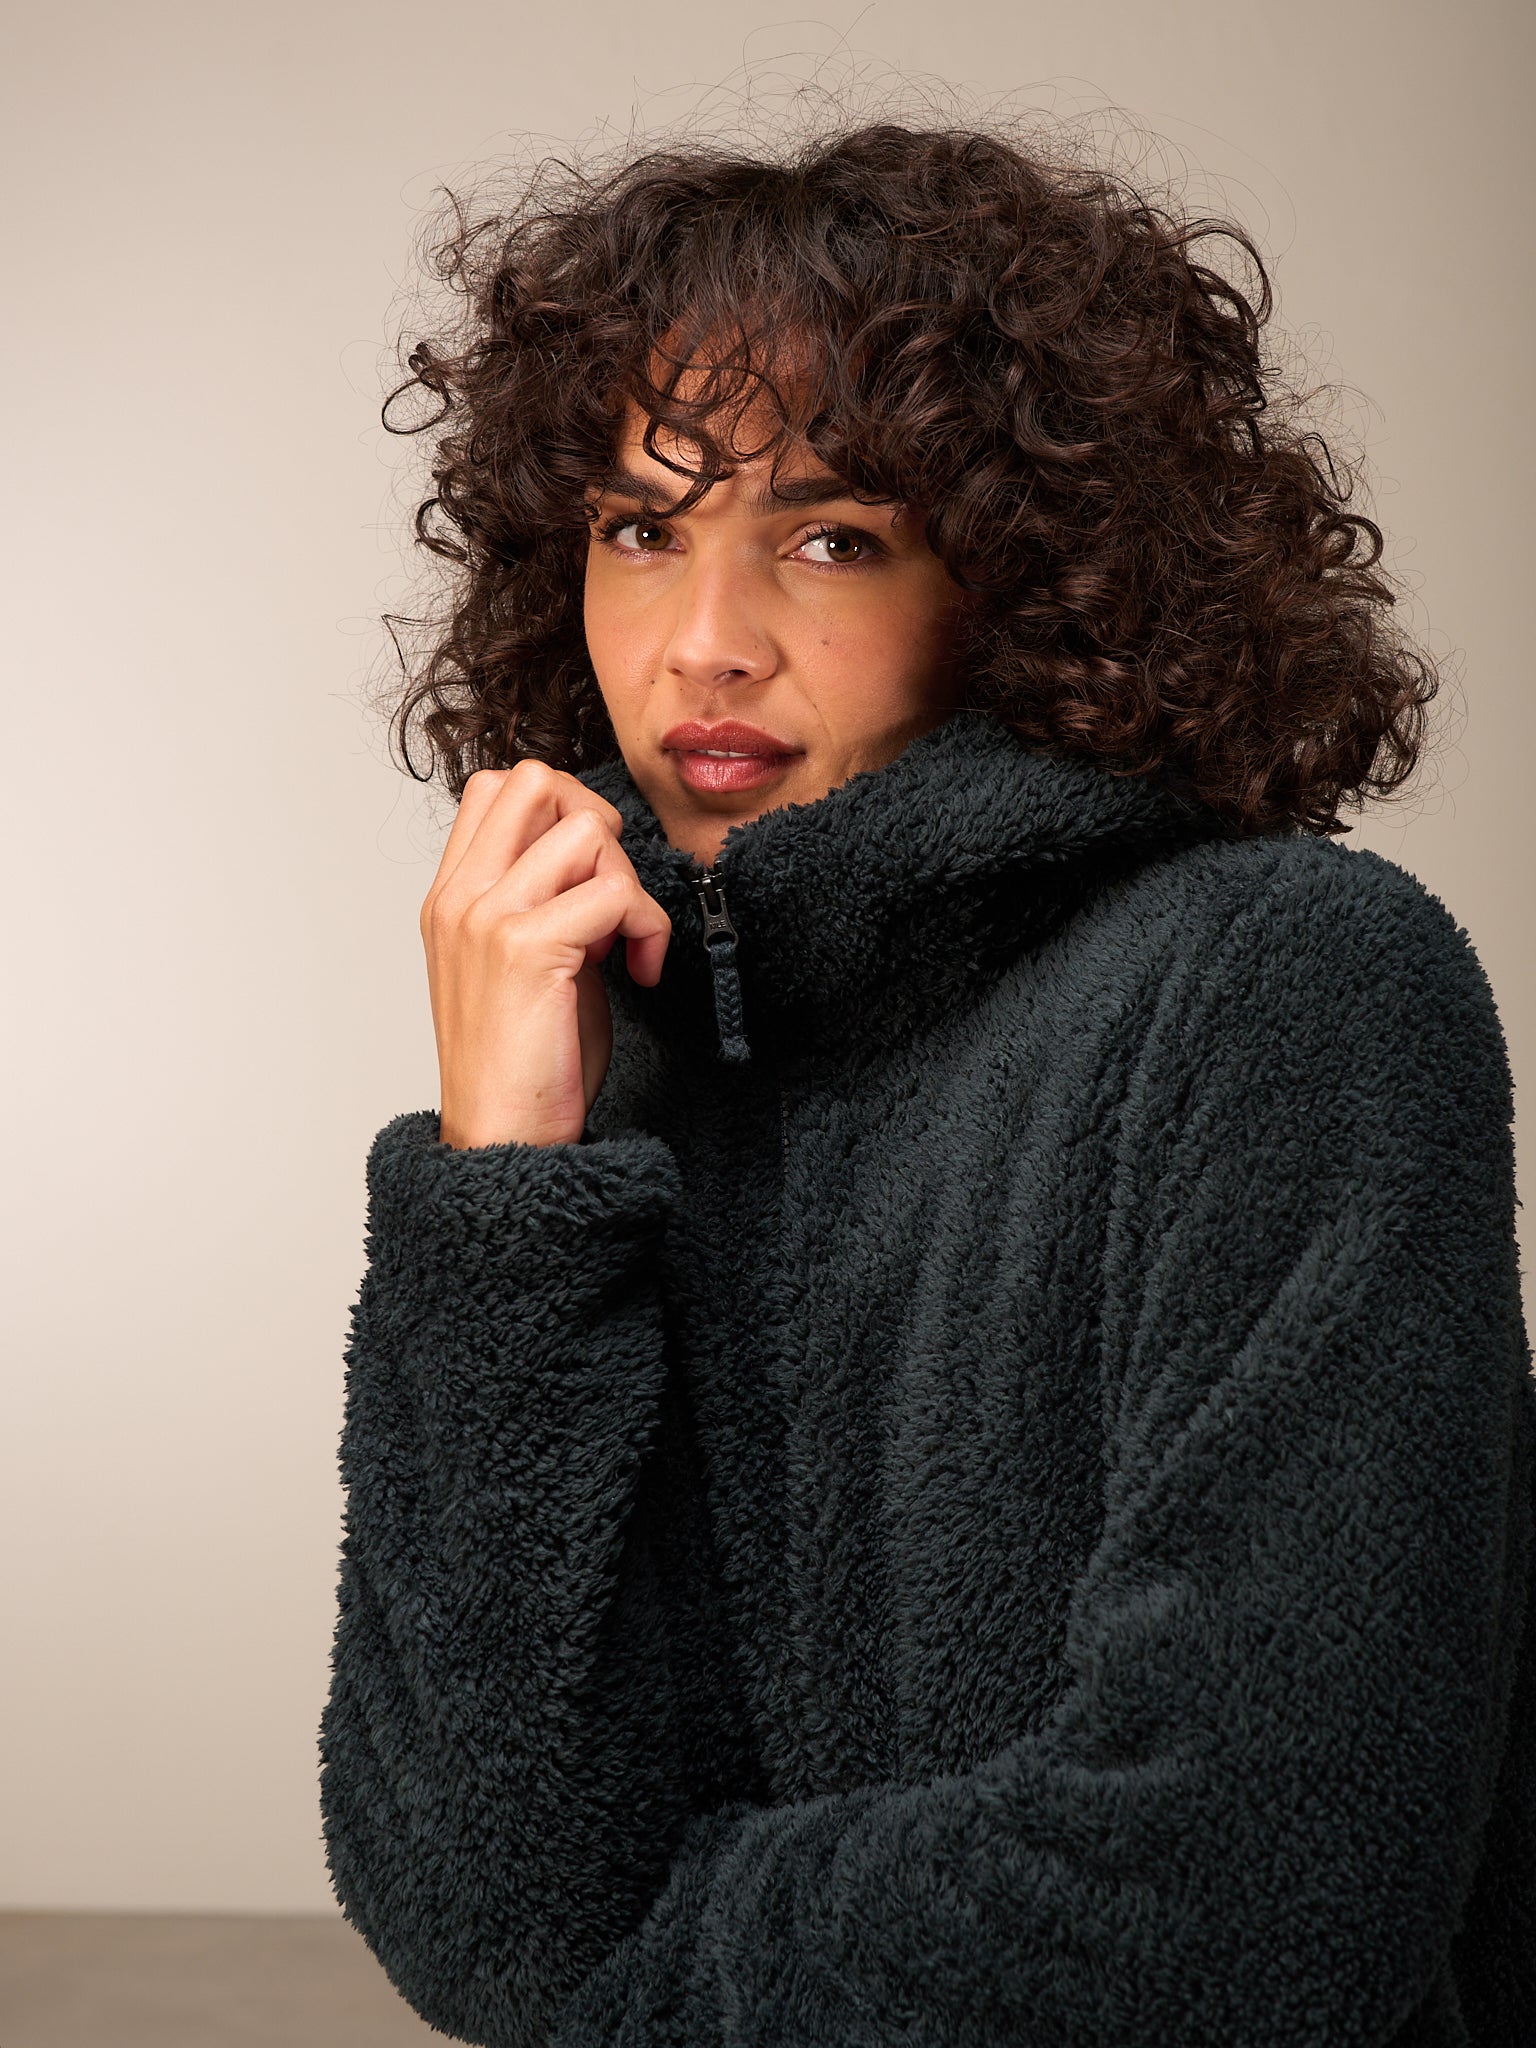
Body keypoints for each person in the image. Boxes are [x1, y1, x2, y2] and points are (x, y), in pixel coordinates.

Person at [317, 121, 1535, 2046]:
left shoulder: (1286, 987)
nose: (704, 647)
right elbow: (469, 1907)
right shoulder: (606, 1066)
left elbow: (1252, 1910)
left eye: (831, 537)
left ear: (1021, 576)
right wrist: (502, 1196)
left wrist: (620, 1957)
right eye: (640, 530)